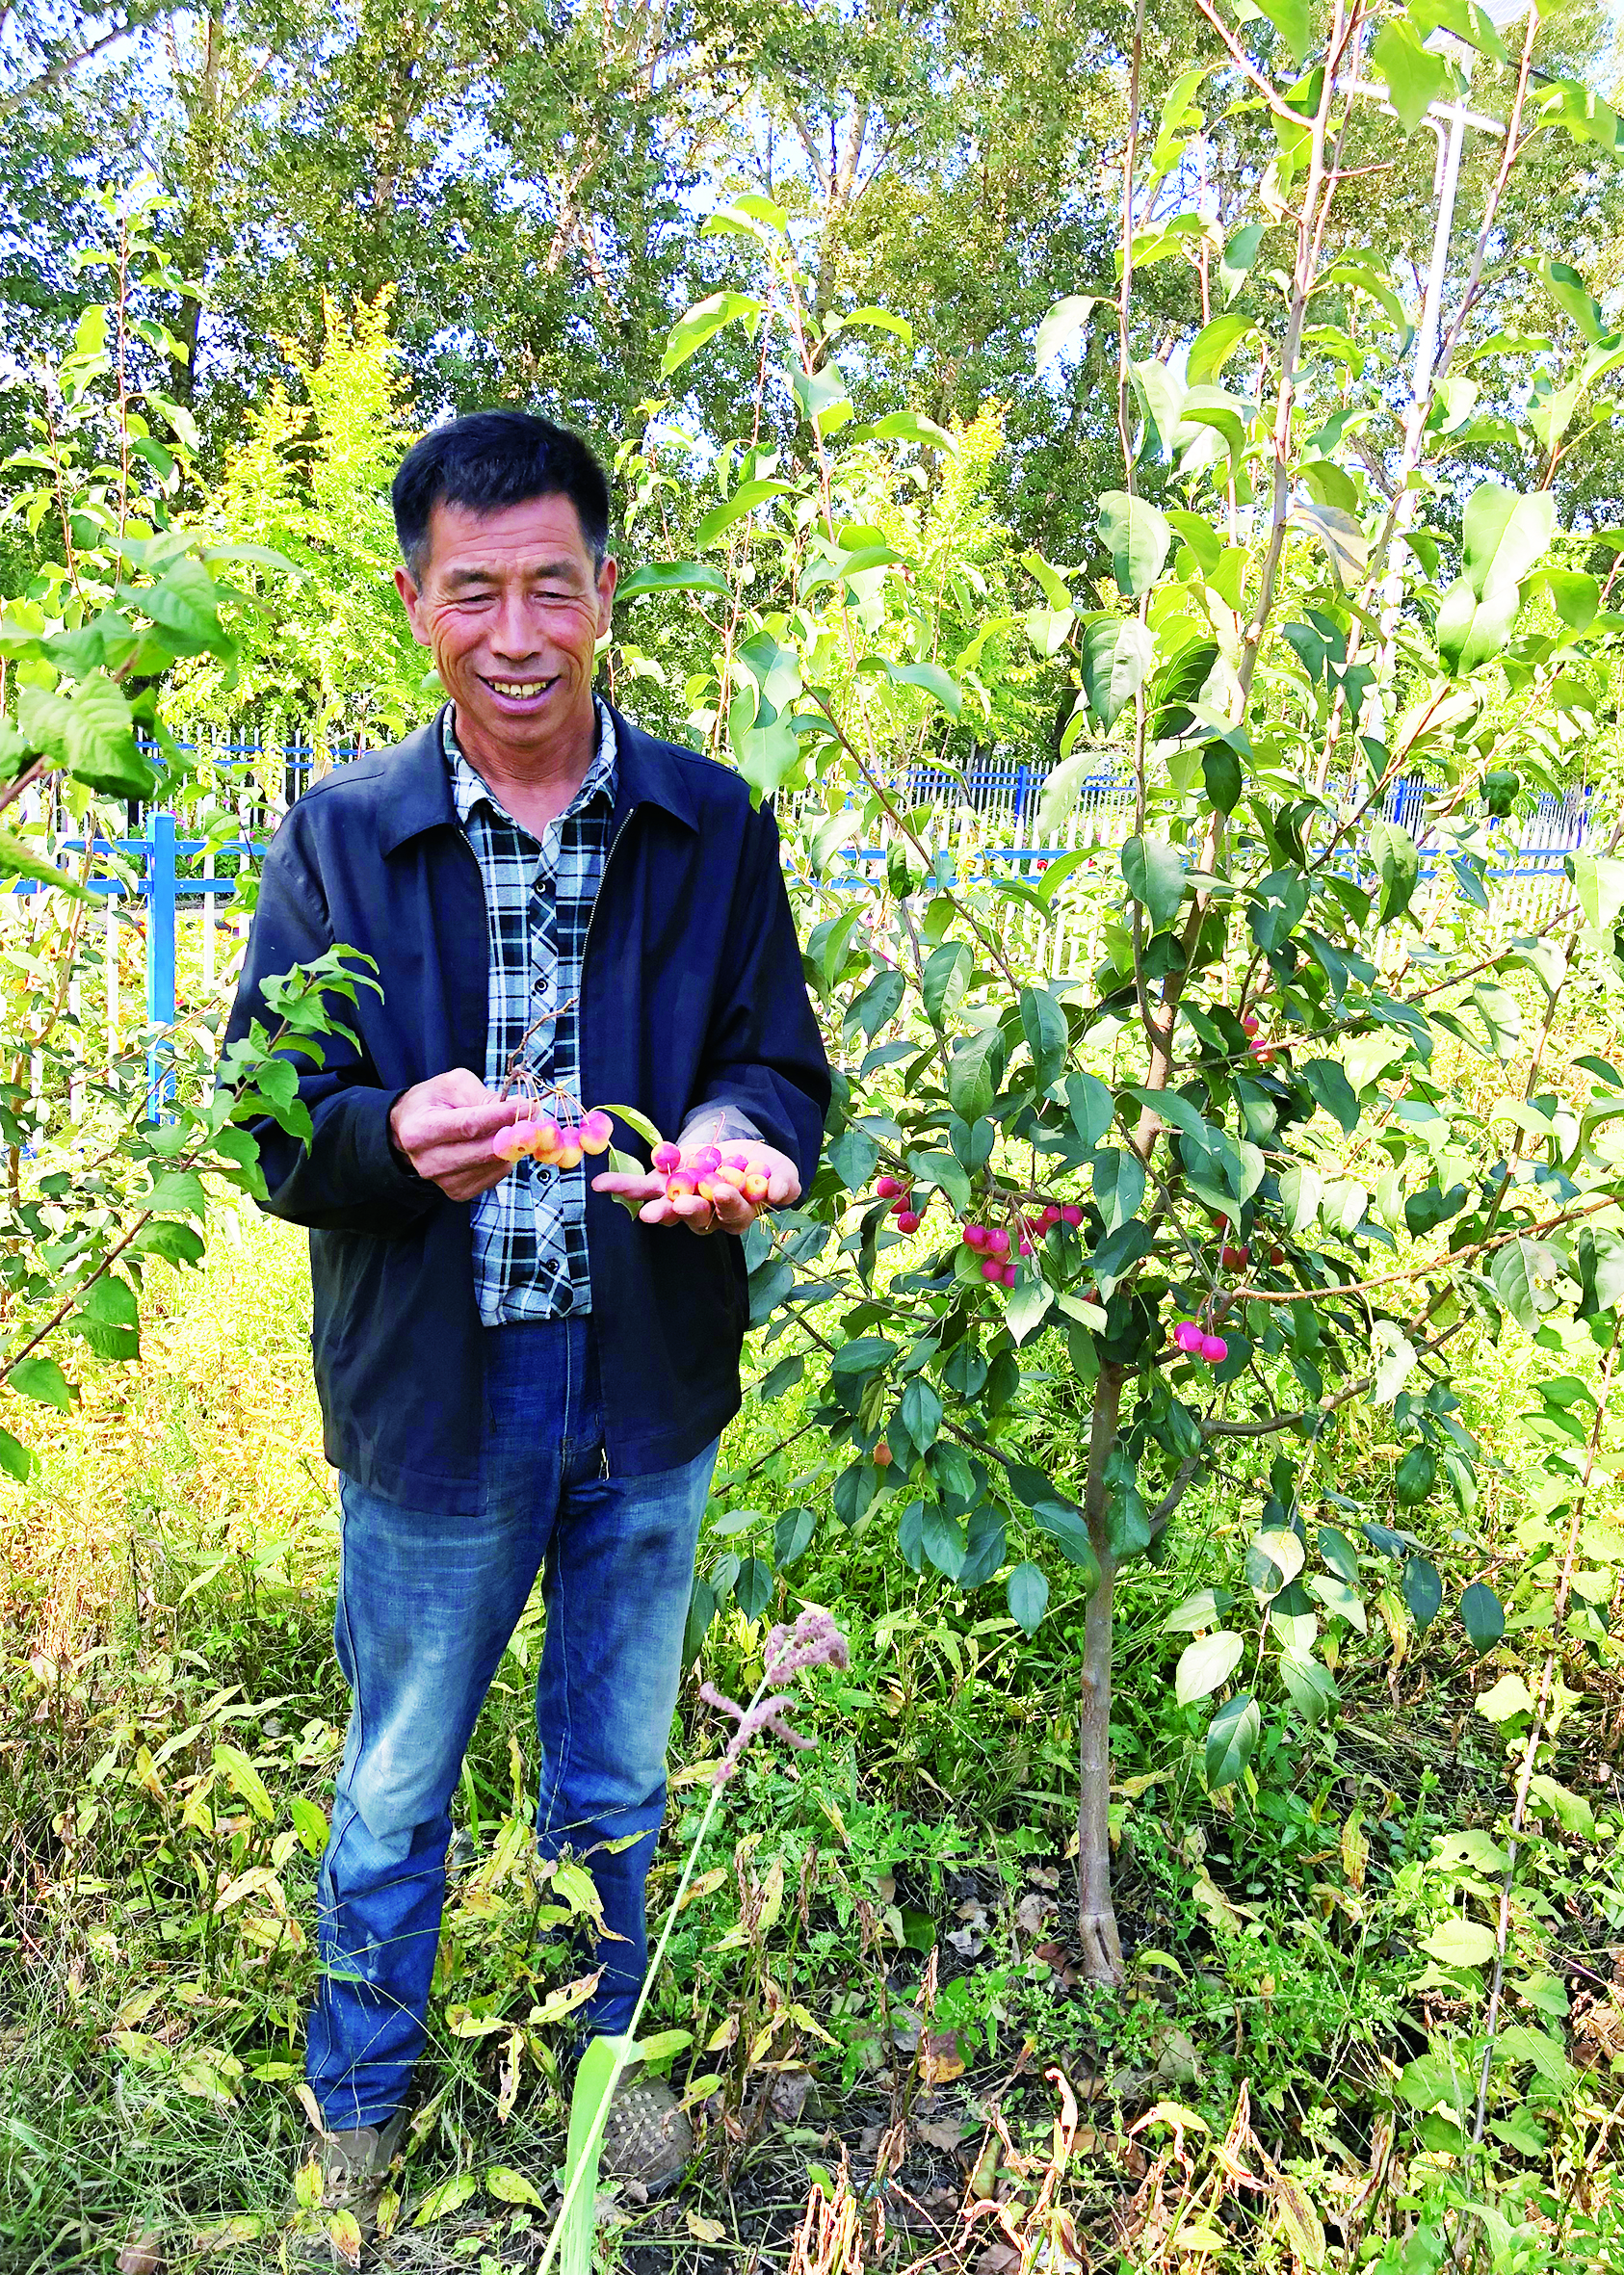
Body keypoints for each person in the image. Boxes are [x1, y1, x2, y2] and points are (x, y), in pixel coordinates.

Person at [224, 409, 830, 2244]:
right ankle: (360, 2107)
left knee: (621, 1769)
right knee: (401, 1772)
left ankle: (604, 2072)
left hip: (644, 1384)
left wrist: (739, 1145)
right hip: (440, 1392)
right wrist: (389, 1143)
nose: (514, 631)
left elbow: (770, 1061)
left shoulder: (712, 824)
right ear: (417, 605)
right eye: (471, 590)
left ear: (604, 595)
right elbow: (269, 1116)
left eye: (548, 587)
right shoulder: (344, 839)